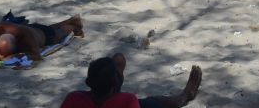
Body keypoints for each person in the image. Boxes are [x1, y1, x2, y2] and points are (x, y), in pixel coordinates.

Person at [60, 53, 202, 108]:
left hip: (102, 97)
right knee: (158, 102)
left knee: (118, 59)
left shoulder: (74, 98)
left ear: (89, 82)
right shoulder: (127, 100)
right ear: (114, 86)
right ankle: (184, 97)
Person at [0, 15, 84, 62]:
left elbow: (36, 55)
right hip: (33, 28)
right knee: (49, 28)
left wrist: (15, 56)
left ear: (17, 43)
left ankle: (73, 24)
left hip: (45, 36)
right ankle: (71, 19)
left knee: (60, 33)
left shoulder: (25, 36)